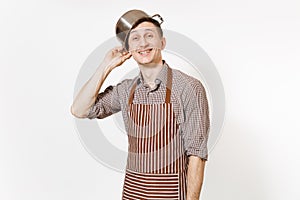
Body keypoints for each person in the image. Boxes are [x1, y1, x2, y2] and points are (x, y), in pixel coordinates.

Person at [71, 9, 210, 200]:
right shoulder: (125, 90)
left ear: (162, 42)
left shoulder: (189, 87)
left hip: (171, 195)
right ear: (128, 48)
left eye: (149, 36)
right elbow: (79, 109)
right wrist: (106, 66)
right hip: (132, 193)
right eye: (135, 38)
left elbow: (197, 154)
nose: (143, 43)